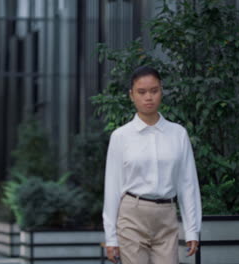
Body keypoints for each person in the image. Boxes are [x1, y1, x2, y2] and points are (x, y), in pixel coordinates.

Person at [102, 66, 202, 264]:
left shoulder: (178, 134)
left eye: (154, 91)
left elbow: (188, 183)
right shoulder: (121, 136)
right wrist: (111, 237)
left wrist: (192, 230)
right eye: (142, 92)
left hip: (166, 216)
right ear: (131, 95)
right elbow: (112, 187)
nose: (148, 97)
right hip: (132, 215)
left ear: (161, 91)